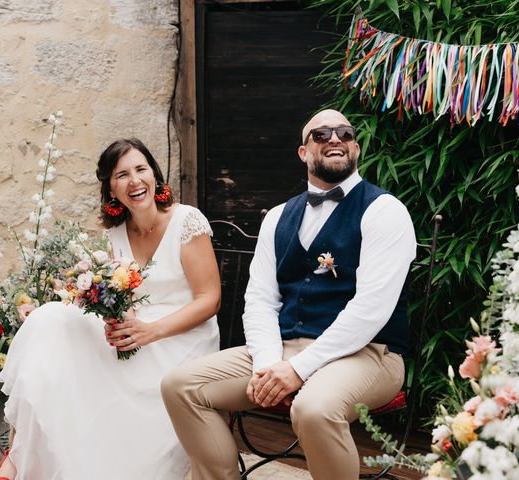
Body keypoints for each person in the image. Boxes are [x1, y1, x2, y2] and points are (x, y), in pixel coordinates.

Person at [161, 109, 416, 480]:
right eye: (321, 134)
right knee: (180, 387)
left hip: (368, 354)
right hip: (283, 348)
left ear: (356, 148)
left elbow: (370, 310)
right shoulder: (278, 216)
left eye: (344, 133)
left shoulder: (385, 211)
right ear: (303, 152)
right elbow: (261, 299)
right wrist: (269, 365)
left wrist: (297, 370)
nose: (334, 139)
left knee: (313, 408)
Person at [0, 138, 221, 479]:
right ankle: (25, 451)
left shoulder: (186, 220)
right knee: (53, 319)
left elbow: (209, 299)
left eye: (141, 170)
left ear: (155, 176)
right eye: (122, 175)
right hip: (136, 337)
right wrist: (119, 319)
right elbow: (124, 298)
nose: (135, 181)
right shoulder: (116, 234)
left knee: (87, 377)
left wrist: (150, 331)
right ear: (112, 190)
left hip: (182, 340)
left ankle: (18, 458)